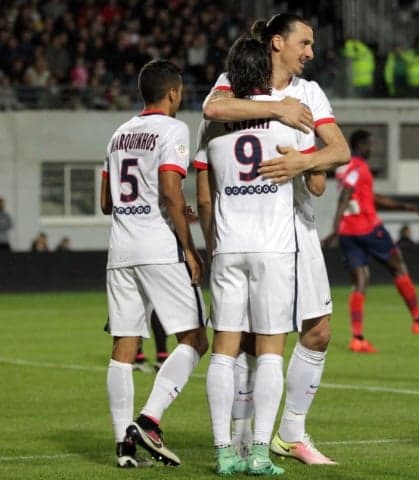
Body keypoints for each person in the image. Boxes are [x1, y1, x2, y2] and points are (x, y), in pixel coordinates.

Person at [202, 13, 350, 466]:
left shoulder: (310, 92)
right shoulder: (234, 80)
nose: (310, 52)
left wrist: (302, 164)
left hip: (296, 226)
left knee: (319, 331)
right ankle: (247, 439)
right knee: (251, 338)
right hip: (254, 226)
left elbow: (338, 150)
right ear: (276, 43)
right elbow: (214, 110)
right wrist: (277, 109)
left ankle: (291, 432)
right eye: (304, 43)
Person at [101, 59, 207, 468]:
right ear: (174, 93)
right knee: (196, 339)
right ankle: (149, 419)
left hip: (120, 250)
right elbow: (168, 188)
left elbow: (107, 202)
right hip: (160, 248)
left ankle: (123, 447)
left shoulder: (118, 134)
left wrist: (160, 207)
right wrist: (190, 246)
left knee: (124, 348)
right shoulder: (173, 129)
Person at [325, 129, 419, 354]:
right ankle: (418, 320)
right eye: (368, 144)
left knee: (361, 280)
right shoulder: (358, 166)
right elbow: (346, 193)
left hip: (349, 232)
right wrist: (333, 229)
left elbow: (369, 197)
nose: (371, 149)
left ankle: (357, 338)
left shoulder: (346, 166)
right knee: (398, 265)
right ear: (359, 145)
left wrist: (402, 206)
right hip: (367, 228)